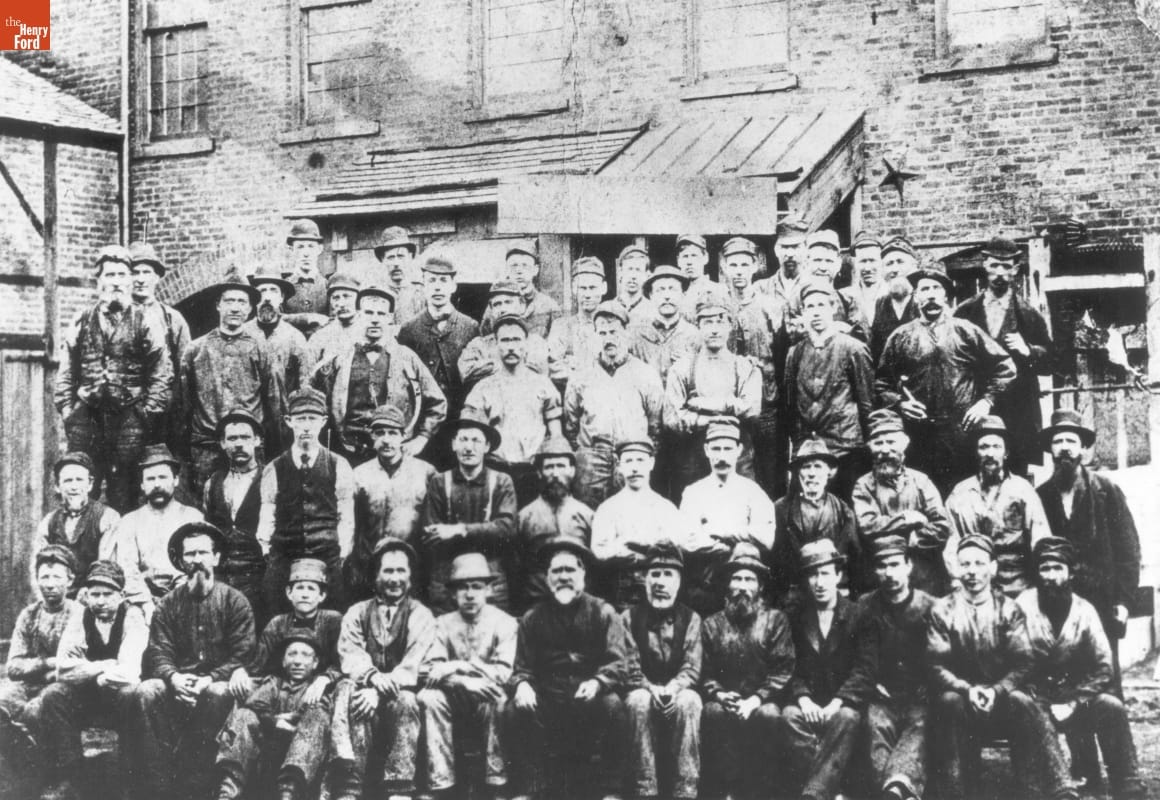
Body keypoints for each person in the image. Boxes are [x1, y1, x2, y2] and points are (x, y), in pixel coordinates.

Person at [926, 535, 1072, 800]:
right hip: (961, 702)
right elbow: (936, 665)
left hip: (1001, 701)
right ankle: (954, 791)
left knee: (1024, 701)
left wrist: (997, 690)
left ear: (993, 568)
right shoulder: (942, 610)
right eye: (965, 564)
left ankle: (1051, 788)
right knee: (948, 701)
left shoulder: (1009, 609)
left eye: (979, 563)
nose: (972, 571)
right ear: (957, 568)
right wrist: (967, 689)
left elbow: (1024, 662)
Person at [129, 521, 256, 800]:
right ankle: (159, 786)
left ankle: (198, 784)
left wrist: (209, 678)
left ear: (216, 557)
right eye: (189, 554)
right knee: (147, 691)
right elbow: (158, 651)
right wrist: (174, 677)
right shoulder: (167, 604)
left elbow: (244, 652)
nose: (197, 560)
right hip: (178, 684)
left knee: (218, 692)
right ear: (180, 561)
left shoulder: (235, 601)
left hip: (216, 685)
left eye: (203, 553)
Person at [1015, 537, 1145, 800]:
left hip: (1074, 693)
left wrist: (1074, 701)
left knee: (1111, 705)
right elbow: (1009, 657)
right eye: (1044, 569)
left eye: (1057, 568)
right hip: (1035, 694)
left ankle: (1127, 782)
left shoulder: (1084, 610)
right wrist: (1034, 691)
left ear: (1070, 573)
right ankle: (1062, 786)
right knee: (1029, 707)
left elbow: (1105, 666)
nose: (1051, 576)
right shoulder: (1022, 605)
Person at [875, 261, 1016, 495]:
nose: (931, 295)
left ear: (945, 296)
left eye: (936, 289)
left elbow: (1005, 367)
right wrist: (900, 403)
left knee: (963, 492)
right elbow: (881, 383)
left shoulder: (965, 330)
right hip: (918, 434)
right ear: (916, 297)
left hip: (961, 433)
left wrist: (986, 401)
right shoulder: (900, 337)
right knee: (922, 493)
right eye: (924, 289)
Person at [508, 538, 631, 799]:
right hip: (549, 697)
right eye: (557, 571)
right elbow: (522, 667)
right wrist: (522, 685)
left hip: (589, 697)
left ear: (583, 574)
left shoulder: (604, 612)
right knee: (514, 708)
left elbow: (618, 663)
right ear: (547, 577)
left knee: (614, 706)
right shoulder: (533, 617)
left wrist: (598, 682)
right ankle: (530, 789)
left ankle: (611, 790)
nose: (563, 577)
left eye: (570, 570)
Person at [56, 244, 171, 512]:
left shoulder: (146, 320)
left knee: (126, 491)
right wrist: (69, 412)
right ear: (99, 281)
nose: (116, 282)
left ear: (130, 280)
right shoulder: (82, 320)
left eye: (122, 275)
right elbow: (66, 372)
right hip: (87, 418)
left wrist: (146, 413)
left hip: (130, 419)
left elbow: (161, 372)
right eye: (110, 275)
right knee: (82, 484)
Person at [1036, 408, 1141, 690]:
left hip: (1102, 604)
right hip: (1058, 604)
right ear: (1050, 449)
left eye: (1071, 441)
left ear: (1083, 448)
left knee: (1105, 683)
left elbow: (1128, 552)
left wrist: (1123, 602)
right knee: (1066, 685)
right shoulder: (1040, 496)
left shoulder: (1106, 491)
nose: (1064, 448)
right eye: (1058, 441)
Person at [329, 538, 437, 800]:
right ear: (376, 575)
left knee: (407, 701)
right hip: (364, 691)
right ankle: (349, 788)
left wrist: (379, 690)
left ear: (410, 575)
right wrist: (371, 678)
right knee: (352, 695)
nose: (395, 578)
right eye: (388, 571)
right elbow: (350, 653)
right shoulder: (357, 612)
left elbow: (415, 661)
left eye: (401, 570)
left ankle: (399, 788)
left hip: (400, 694)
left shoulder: (420, 614)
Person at [38, 560, 147, 799]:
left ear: (121, 595)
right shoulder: (82, 617)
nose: (100, 601)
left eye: (107, 594)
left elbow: (129, 671)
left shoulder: (132, 617)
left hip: (120, 698)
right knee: (54, 694)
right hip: (89, 697)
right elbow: (63, 668)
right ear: (87, 596)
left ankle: (129, 780)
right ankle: (71, 777)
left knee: (131, 692)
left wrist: (89, 673)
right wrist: (103, 666)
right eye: (94, 594)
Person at [418, 552, 519, 799]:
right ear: (453, 594)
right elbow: (430, 670)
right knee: (429, 697)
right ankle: (442, 784)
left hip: (487, 696)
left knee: (496, 697)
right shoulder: (442, 623)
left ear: (489, 590)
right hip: (454, 696)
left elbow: (503, 672)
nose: (470, 594)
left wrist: (458, 666)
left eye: (477, 586)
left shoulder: (505, 623)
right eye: (463, 587)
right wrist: (462, 680)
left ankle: (496, 783)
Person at [311, 284, 447, 466]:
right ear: (359, 315)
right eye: (369, 313)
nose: (375, 320)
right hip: (348, 453)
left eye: (381, 314)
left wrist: (422, 438)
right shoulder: (340, 357)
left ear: (390, 318)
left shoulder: (406, 357)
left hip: (395, 454)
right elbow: (313, 394)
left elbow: (437, 403)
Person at [842, 536, 935, 800]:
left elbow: (940, 656)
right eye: (882, 566)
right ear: (875, 570)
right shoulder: (865, 605)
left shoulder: (930, 606)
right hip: (880, 694)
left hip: (919, 696)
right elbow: (855, 656)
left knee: (920, 725)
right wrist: (873, 685)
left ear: (909, 566)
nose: (889, 573)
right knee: (875, 725)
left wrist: (927, 685)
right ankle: (898, 791)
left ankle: (894, 788)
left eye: (895, 564)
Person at [699, 544, 795, 800]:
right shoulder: (711, 624)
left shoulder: (776, 620)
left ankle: (762, 793)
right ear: (727, 585)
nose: (743, 586)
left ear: (760, 586)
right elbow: (704, 672)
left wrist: (756, 699)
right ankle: (726, 792)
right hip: (725, 701)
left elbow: (783, 670)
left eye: (750, 580)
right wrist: (719, 694)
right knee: (712, 712)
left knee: (770, 715)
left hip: (762, 701)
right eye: (737, 579)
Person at [954, 235, 1054, 476]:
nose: (1000, 272)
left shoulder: (1028, 314)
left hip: (1017, 409)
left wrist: (1029, 350)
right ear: (985, 265)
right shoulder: (965, 312)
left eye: (1006, 266)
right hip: (976, 405)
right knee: (974, 469)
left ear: (1016, 269)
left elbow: (1051, 362)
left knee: (1015, 474)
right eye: (994, 265)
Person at [257, 388, 356, 613]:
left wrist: (341, 552)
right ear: (289, 421)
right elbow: (267, 513)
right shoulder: (274, 468)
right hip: (285, 554)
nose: (306, 426)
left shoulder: (338, 465)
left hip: (327, 553)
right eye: (301, 419)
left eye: (312, 418)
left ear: (323, 421)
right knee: (273, 606)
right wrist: (267, 550)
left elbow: (346, 515)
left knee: (333, 611)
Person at [777, 540, 862, 800]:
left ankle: (814, 794)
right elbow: (788, 665)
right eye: (813, 575)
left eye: (825, 573)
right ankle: (833, 791)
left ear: (838, 575)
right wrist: (804, 699)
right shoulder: (795, 617)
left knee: (848, 717)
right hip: (809, 704)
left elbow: (863, 669)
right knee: (789, 716)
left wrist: (837, 702)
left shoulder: (858, 615)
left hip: (841, 704)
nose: (819, 582)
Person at [622, 541, 703, 800]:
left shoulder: (691, 619)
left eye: (668, 574)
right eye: (654, 574)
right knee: (638, 700)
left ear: (678, 582)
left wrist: (672, 688)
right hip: (643, 691)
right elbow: (628, 665)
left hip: (676, 692)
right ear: (644, 579)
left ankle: (685, 790)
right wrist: (650, 688)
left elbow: (692, 666)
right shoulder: (628, 618)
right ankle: (645, 789)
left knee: (690, 701)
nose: (660, 582)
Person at [563, 300, 664, 509]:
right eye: (602, 333)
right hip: (591, 461)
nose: (608, 339)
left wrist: (639, 454)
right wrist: (585, 454)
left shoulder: (645, 374)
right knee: (589, 515)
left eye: (614, 332)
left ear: (626, 333)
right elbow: (570, 424)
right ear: (594, 335)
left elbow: (655, 426)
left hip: (630, 458)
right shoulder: (581, 376)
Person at [180, 266, 274, 490]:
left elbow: (273, 400)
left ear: (250, 308)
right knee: (208, 499)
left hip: (248, 446)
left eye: (242, 302)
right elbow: (183, 404)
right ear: (218, 305)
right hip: (207, 447)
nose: (235, 308)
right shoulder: (196, 349)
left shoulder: (261, 348)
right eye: (229, 301)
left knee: (250, 499)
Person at [663, 289, 762, 500]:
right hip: (694, 462)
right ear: (698, 326)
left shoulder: (744, 367)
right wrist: (710, 420)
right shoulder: (682, 369)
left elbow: (752, 410)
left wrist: (704, 404)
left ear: (730, 325)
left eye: (720, 321)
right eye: (707, 322)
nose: (714, 329)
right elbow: (672, 419)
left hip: (738, 462)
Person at [784, 279, 873, 500]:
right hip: (808, 453)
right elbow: (790, 404)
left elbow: (867, 403)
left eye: (821, 305)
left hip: (845, 449)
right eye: (810, 307)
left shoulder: (853, 348)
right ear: (803, 312)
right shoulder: (795, 353)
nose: (816, 312)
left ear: (833, 308)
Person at [215, 632, 332, 800]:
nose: (297, 661)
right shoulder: (274, 683)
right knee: (244, 715)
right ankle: (227, 792)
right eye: (292, 654)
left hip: (302, 757)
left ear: (315, 663)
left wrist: (292, 719)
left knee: (315, 719)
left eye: (305, 655)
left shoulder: (318, 688)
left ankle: (289, 794)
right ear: (283, 661)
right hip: (267, 752)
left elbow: (319, 712)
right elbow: (254, 703)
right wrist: (275, 721)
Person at [421, 408, 518, 614]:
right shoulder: (439, 482)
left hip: (490, 579)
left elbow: (506, 530)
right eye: (463, 439)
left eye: (476, 440)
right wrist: (485, 532)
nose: (469, 447)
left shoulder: (502, 482)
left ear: (487, 446)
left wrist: (459, 530)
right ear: (453, 444)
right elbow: (432, 536)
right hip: (447, 579)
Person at [677, 417, 775, 617]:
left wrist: (720, 532)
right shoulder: (693, 493)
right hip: (705, 590)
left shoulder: (753, 492)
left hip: (743, 591)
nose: (722, 456)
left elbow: (766, 538)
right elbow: (687, 540)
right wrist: (732, 547)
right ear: (706, 450)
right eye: (716, 449)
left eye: (728, 449)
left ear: (739, 450)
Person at [944, 415, 1050, 598]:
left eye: (996, 447)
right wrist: (958, 581)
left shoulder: (1023, 490)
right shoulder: (960, 493)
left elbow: (1040, 541)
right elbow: (950, 545)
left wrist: (1037, 589)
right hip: (972, 585)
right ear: (976, 452)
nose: (990, 453)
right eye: (984, 447)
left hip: (1016, 586)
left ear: (1006, 453)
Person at [463, 314, 563, 505]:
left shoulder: (543, 384)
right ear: (496, 345)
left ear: (526, 344)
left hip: (533, 473)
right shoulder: (483, 388)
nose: (511, 346)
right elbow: (472, 436)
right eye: (505, 340)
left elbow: (556, 436)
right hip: (496, 471)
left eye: (516, 340)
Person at [851, 409, 951, 597]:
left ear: (904, 444)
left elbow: (942, 526)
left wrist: (914, 539)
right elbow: (868, 527)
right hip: (881, 576)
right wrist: (906, 519)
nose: (885, 450)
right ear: (870, 447)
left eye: (891, 442)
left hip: (922, 577)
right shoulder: (863, 486)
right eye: (878, 443)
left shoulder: (921, 481)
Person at [0, 547, 80, 768]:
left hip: (63, 687)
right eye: (44, 577)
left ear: (70, 580)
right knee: (2, 705)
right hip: (27, 685)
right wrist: (46, 663)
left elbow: (72, 666)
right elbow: (13, 667)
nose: (50, 584)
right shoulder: (29, 615)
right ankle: (19, 769)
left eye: (57, 577)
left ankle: (53, 772)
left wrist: (47, 668)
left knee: (35, 711)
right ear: (37, 580)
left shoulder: (79, 614)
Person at [717, 237, 784, 495]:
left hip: (767, 405)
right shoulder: (719, 308)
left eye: (744, 265)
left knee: (770, 472)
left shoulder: (771, 307)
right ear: (724, 267)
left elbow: (782, 356)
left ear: (755, 266)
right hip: (731, 404)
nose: (739, 271)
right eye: (733, 265)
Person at [591, 440, 691, 611]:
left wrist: (637, 544)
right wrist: (624, 546)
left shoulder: (666, 508)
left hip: (660, 589)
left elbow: (678, 547)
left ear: (651, 463)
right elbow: (599, 551)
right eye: (629, 461)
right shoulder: (608, 508)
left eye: (640, 460)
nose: (635, 468)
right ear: (619, 465)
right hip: (623, 592)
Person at [350, 404, 436, 601]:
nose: (386, 440)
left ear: (404, 435)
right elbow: (353, 525)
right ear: (371, 435)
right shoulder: (359, 474)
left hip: (411, 567)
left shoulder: (425, 472)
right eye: (380, 433)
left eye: (393, 433)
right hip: (369, 567)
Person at [104, 444, 204, 611]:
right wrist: (146, 604)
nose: (157, 484)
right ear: (142, 485)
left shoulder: (193, 518)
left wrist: (176, 601)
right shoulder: (129, 521)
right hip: (141, 602)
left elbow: (196, 565)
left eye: (163, 477)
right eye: (150, 479)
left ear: (176, 480)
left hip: (186, 599)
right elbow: (128, 569)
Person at [770, 438, 863, 607]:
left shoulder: (843, 510)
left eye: (818, 466)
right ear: (798, 473)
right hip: (795, 594)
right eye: (806, 467)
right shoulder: (781, 509)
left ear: (829, 472)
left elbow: (854, 556)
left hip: (832, 590)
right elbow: (776, 560)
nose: (812, 474)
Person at [513, 436, 594, 613]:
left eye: (561, 466)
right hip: (537, 604)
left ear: (572, 470)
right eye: (549, 467)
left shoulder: (587, 515)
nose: (556, 473)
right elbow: (517, 567)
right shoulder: (525, 517)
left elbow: (594, 566)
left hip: (578, 605)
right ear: (539, 472)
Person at [397, 255, 480, 426]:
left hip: (461, 415)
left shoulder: (470, 327)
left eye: (443, 280)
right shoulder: (408, 330)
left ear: (453, 286)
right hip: (424, 417)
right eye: (432, 280)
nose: (437, 287)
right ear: (423, 286)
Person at [203, 409, 268, 624]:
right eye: (232, 438)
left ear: (257, 440)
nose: (238, 444)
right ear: (222, 443)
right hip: (222, 577)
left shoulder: (270, 478)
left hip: (258, 578)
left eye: (245, 437)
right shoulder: (213, 482)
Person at [128, 241, 191, 457]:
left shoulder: (173, 319)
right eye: (135, 272)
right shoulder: (114, 317)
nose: (140, 279)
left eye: (146, 272)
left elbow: (184, 373)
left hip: (162, 418)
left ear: (156, 277)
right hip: (123, 415)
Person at [246, 263, 317, 454]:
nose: (267, 297)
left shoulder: (295, 338)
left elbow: (305, 387)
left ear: (282, 297)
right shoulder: (243, 335)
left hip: (284, 429)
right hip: (250, 425)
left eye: (273, 291)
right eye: (262, 291)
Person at [32, 452, 120, 591]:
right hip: (59, 594)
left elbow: (106, 568)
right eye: (68, 481)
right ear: (57, 486)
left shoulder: (107, 517)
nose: (74, 487)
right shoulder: (49, 522)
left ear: (90, 484)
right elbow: (39, 567)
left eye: (79, 480)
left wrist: (87, 593)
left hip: (95, 593)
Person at [458, 281, 551, 388]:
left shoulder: (535, 342)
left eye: (508, 302)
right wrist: (505, 365)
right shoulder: (479, 344)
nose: (503, 309)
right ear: (491, 309)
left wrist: (491, 366)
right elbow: (466, 372)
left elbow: (538, 370)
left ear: (522, 305)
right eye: (497, 304)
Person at [629, 265, 698, 386]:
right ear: (651, 295)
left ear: (683, 294)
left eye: (672, 289)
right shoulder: (636, 335)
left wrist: (691, 364)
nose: (667, 296)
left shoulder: (694, 335)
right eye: (660, 290)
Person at [480, 239, 562, 338]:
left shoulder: (549, 306)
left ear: (535, 270)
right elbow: (485, 340)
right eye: (514, 266)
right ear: (506, 270)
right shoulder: (496, 307)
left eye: (525, 266)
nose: (519, 271)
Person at [546, 256, 607, 389]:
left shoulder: (612, 327)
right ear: (574, 289)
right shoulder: (561, 327)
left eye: (592, 288)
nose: (587, 294)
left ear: (603, 288)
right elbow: (553, 367)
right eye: (582, 288)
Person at [869, 236, 920, 363]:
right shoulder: (880, 304)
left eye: (900, 262)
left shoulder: (922, 302)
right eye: (889, 264)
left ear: (914, 266)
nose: (894, 269)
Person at [281, 219, 331, 335]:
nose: (306, 253)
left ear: (319, 249)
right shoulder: (282, 287)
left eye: (311, 246)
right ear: (291, 250)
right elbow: (275, 318)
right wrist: (307, 318)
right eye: (300, 247)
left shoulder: (328, 286)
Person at [369, 226, 425, 324]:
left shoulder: (422, 293)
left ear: (410, 257)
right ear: (383, 260)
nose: (396, 263)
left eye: (400, 256)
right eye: (391, 257)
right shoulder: (375, 294)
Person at [754, 215, 808, 308]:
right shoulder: (761, 288)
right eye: (784, 247)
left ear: (805, 249)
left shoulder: (814, 285)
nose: (790, 254)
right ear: (776, 250)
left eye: (795, 247)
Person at [310, 273, 363, 364]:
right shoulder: (320, 336)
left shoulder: (369, 329)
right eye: (336, 298)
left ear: (358, 300)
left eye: (346, 296)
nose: (341, 304)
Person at [675, 234, 716, 323]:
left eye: (694, 256)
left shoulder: (718, 290)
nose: (689, 262)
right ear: (678, 260)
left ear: (705, 258)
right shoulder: (674, 293)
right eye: (685, 256)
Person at [847, 231, 883, 324]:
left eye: (872, 260)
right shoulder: (846, 296)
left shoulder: (891, 293)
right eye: (862, 261)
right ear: (855, 263)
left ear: (881, 261)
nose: (867, 268)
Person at [615, 243, 655, 326]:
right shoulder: (606, 308)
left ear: (647, 275)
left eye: (638, 270)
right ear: (620, 272)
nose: (633, 276)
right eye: (629, 269)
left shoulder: (653, 310)